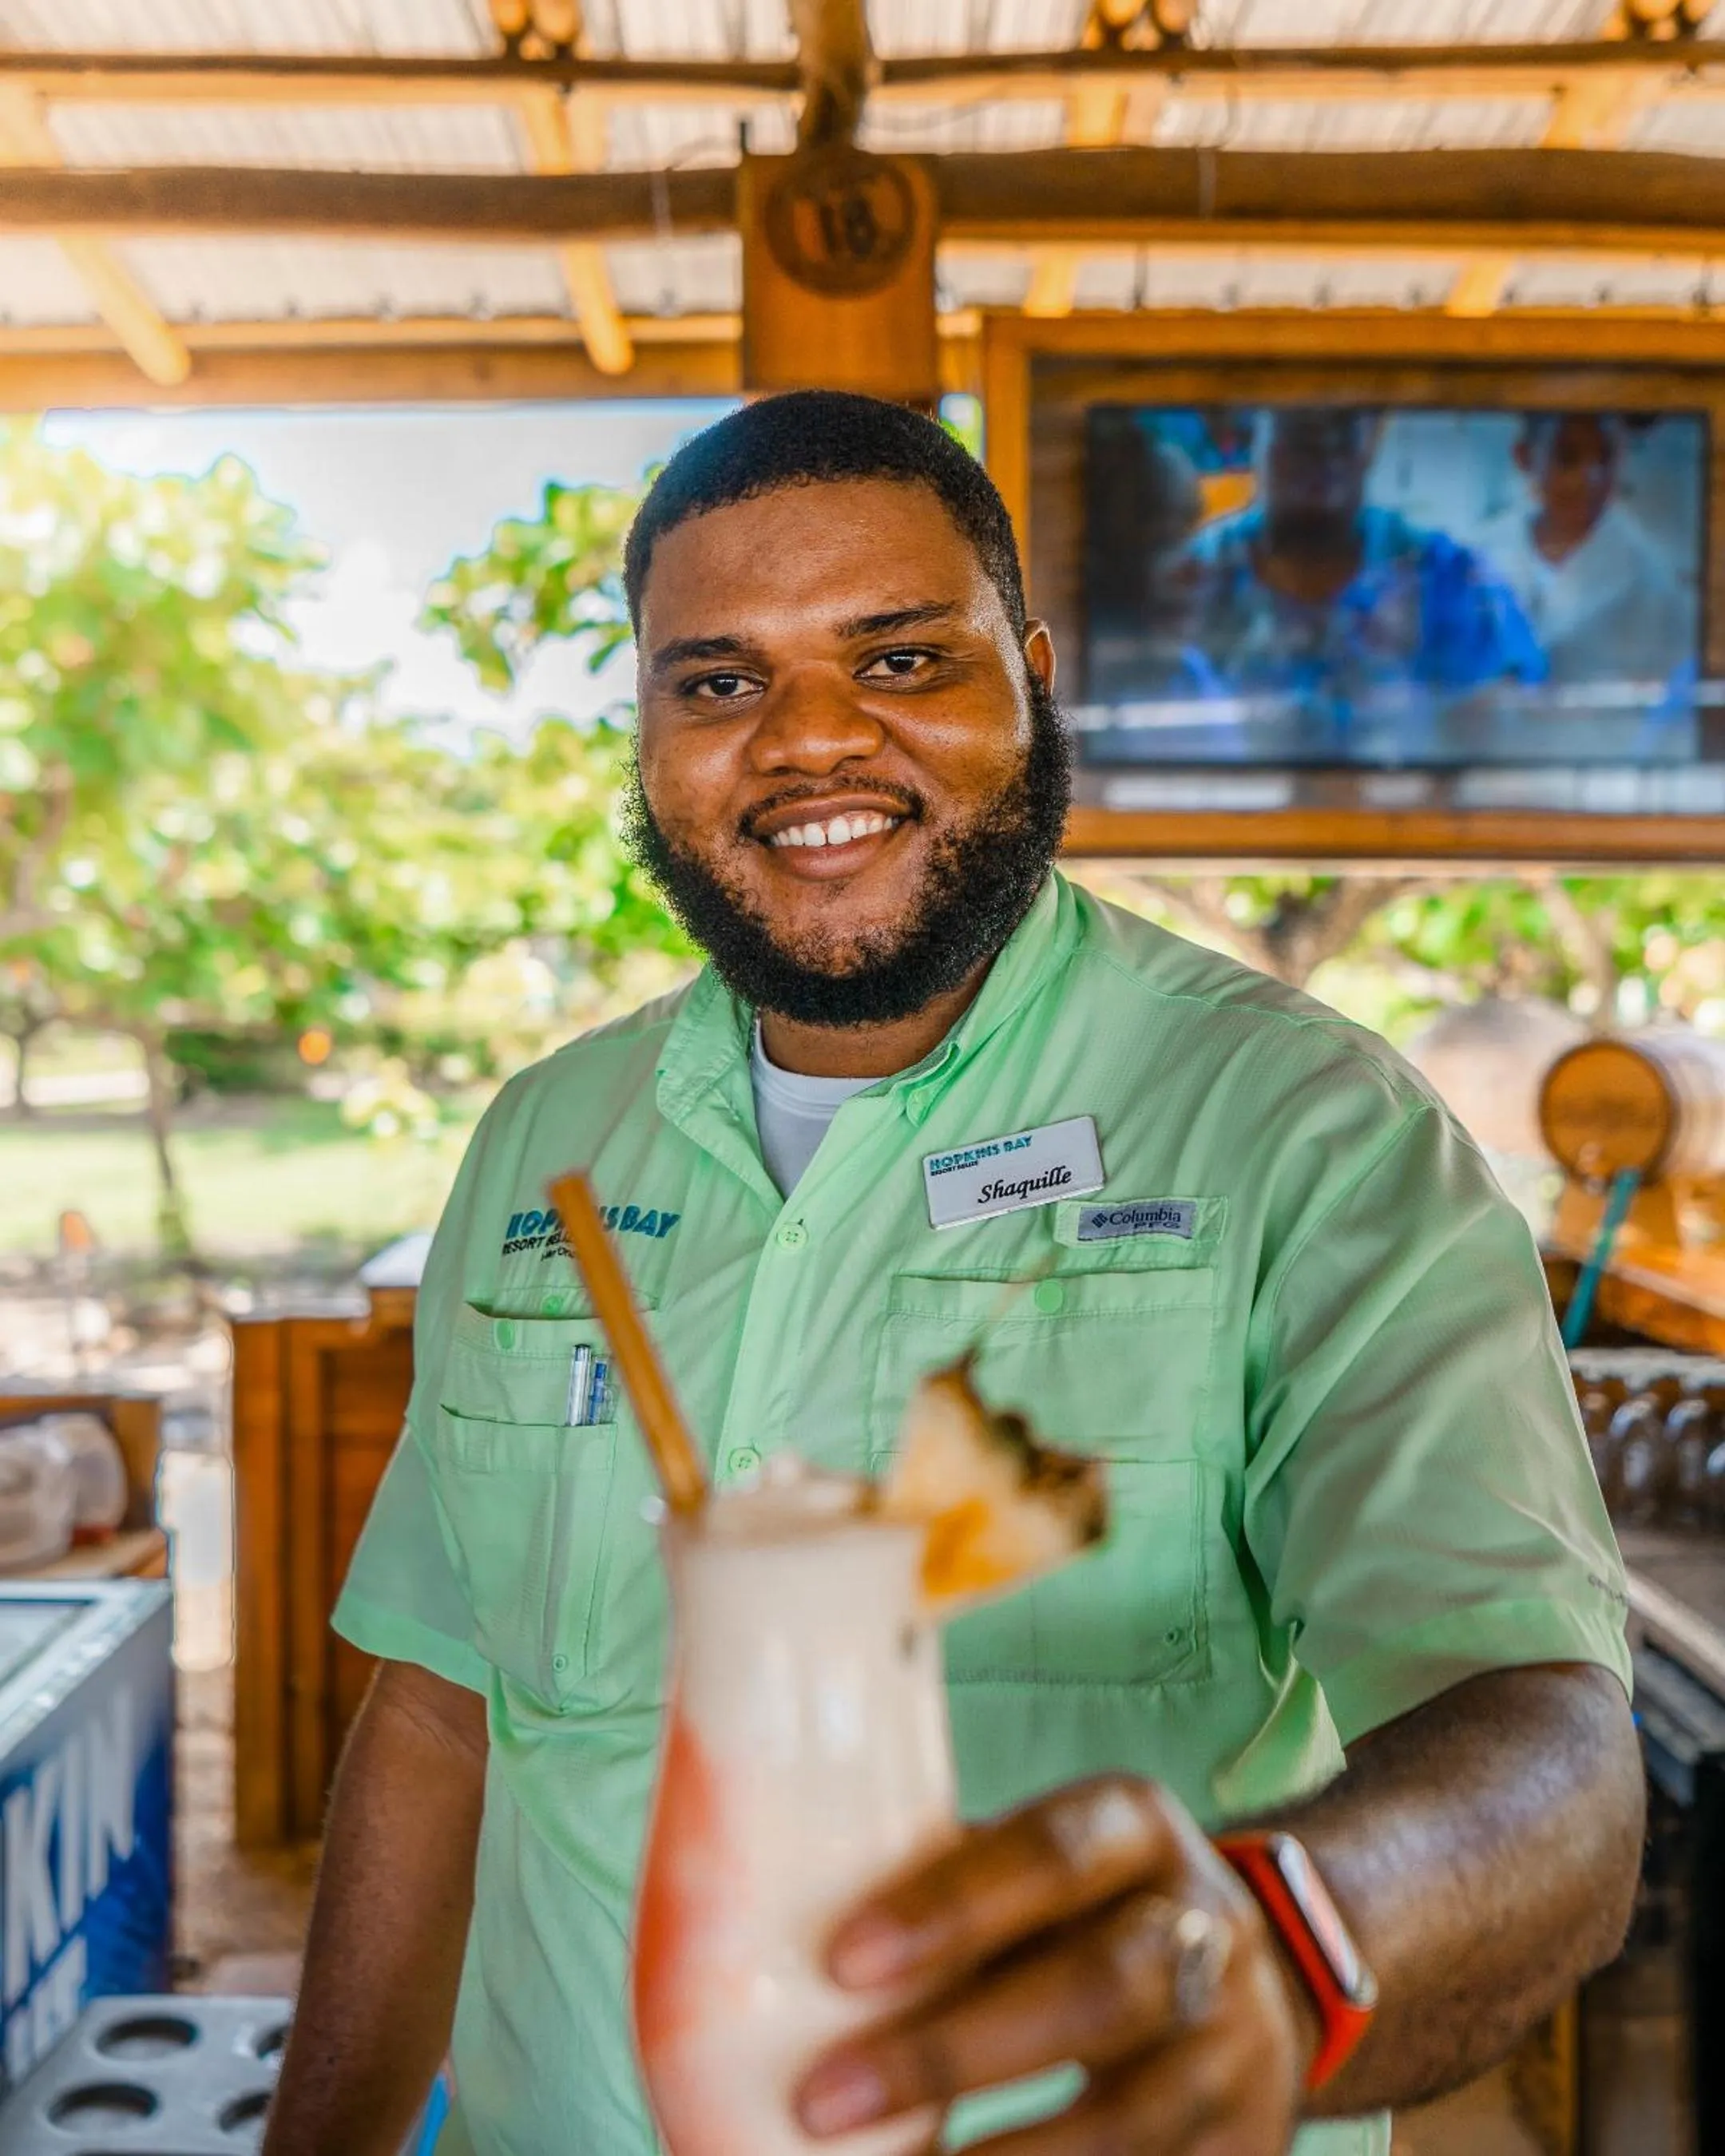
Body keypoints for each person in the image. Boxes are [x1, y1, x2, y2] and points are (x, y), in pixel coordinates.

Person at [264, 392, 1642, 2156]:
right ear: (648, 730)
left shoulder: (1308, 1134)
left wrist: (1291, 1953)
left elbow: (1547, 1748)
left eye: (902, 660)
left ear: (1033, 681)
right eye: (719, 680)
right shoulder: (552, 1145)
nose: (809, 740)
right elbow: (445, 1712)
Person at [1183, 408, 1544, 758]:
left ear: (1368, 446)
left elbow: (1505, 717)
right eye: (1300, 443)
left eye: (1339, 441)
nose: (1321, 462)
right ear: (1259, 445)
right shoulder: (1201, 573)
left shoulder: (1440, 572)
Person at [1480, 412, 1697, 696]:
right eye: (1567, 458)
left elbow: (1678, 697)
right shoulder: (1482, 554)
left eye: (1604, 459)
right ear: (1524, 457)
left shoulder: (1651, 577)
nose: (1589, 478)